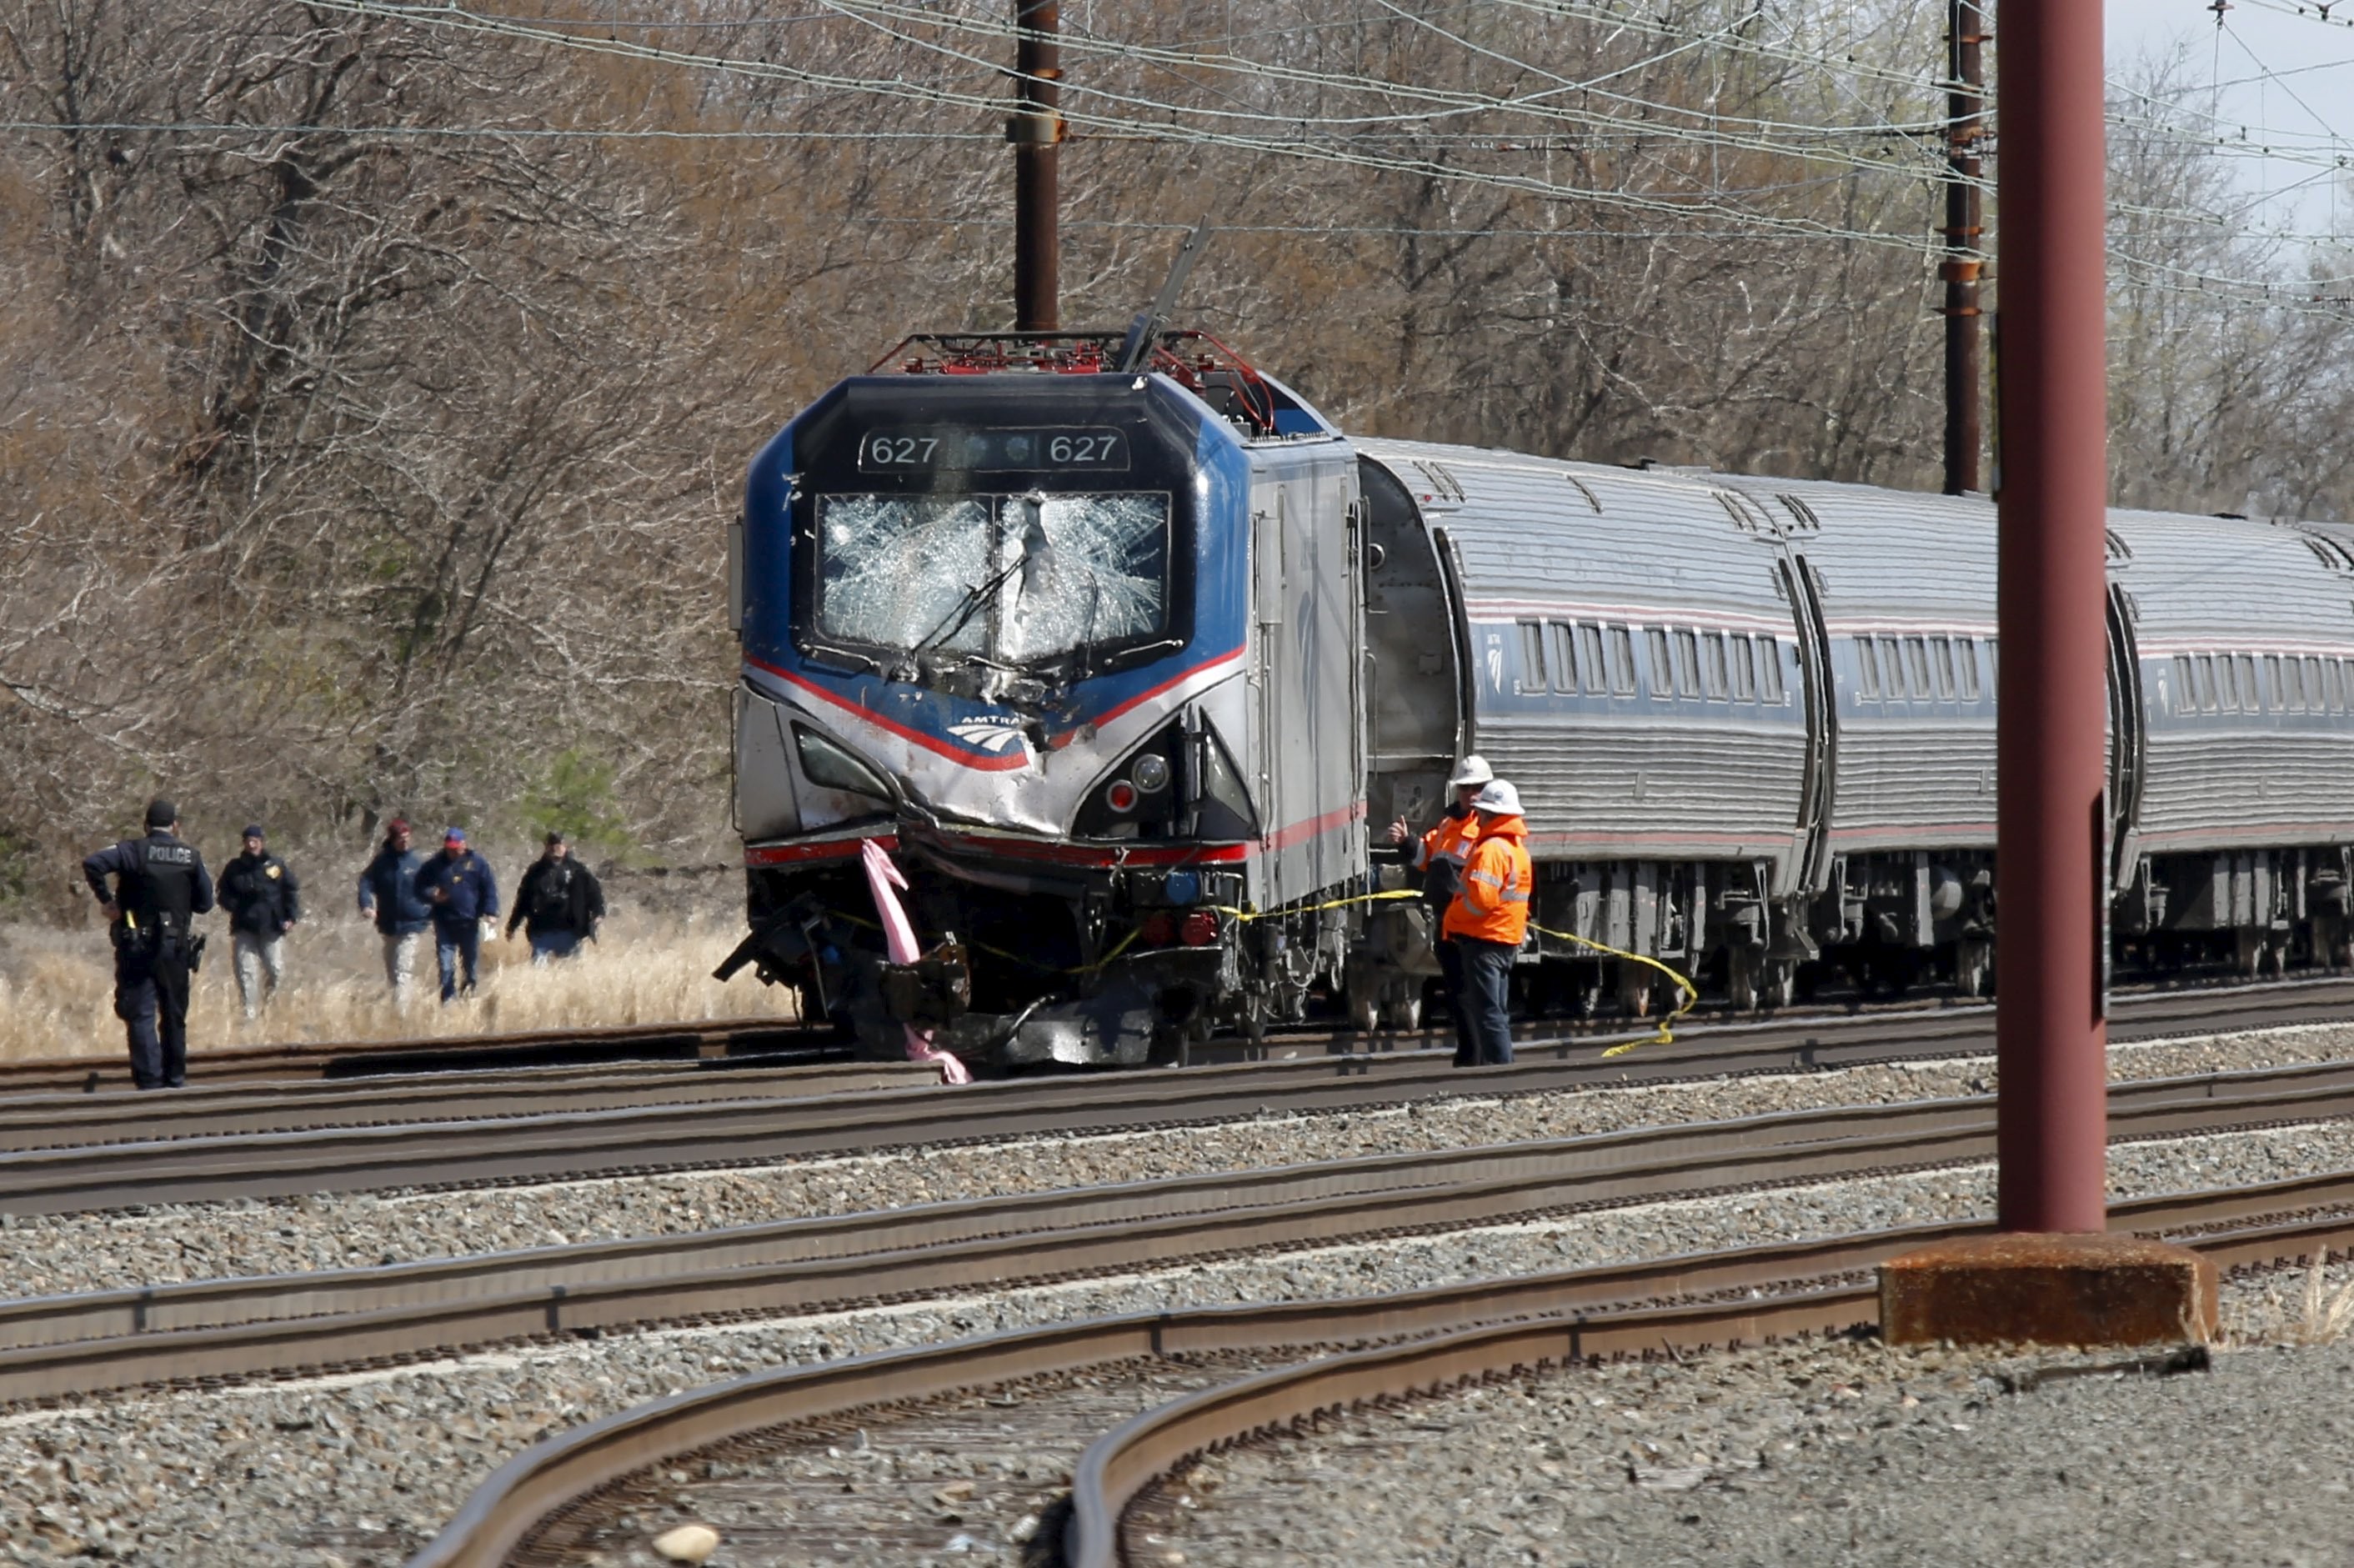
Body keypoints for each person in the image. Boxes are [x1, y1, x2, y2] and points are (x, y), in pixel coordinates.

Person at [81, 798, 215, 1090]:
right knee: (173, 1015)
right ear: (176, 827)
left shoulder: (132, 851)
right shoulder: (190, 857)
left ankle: (149, 1084)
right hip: (175, 948)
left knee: (141, 1014)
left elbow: (93, 863)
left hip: (136, 946)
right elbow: (206, 904)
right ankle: (175, 1080)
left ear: (145, 826)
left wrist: (108, 901)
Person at [1387, 755, 1493, 1065]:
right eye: (1465, 788)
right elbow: (1429, 858)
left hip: (1472, 925)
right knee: (1458, 994)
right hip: (1448, 922)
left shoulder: (1486, 826)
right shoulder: (1449, 823)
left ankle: (1479, 1058)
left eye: (1477, 788)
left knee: (1474, 994)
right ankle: (1469, 1054)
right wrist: (1407, 843)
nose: (1471, 795)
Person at [1443, 778, 1534, 1069]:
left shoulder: (1491, 850)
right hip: (1506, 938)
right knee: (1497, 1009)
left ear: (1488, 815)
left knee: (1488, 1011)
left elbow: (1481, 900)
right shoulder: (1518, 850)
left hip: (1484, 939)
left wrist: (1454, 918)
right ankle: (1501, 1066)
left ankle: (1499, 1071)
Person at [217, 824, 301, 1020]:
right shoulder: (234, 868)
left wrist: (291, 916)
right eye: (248, 841)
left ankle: (270, 1010)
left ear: (262, 842)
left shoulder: (275, 865)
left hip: (272, 926)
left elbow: (290, 890)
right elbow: (222, 894)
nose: (251, 844)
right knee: (246, 972)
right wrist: (234, 905)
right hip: (244, 927)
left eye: (255, 840)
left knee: (275, 970)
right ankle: (249, 1015)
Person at [413, 825, 498, 1002]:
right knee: (446, 966)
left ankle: (469, 995)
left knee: (470, 964)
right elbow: (418, 887)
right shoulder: (434, 865)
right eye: (449, 848)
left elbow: (489, 888)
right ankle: (448, 1001)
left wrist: (491, 911)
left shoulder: (477, 862)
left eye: (455, 848)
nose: (452, 852)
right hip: (444, 922)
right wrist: (432, 895)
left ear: (464, 844)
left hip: (469, 921)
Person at [358, 818, 433, 1009]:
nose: (405, 842)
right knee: (392, 971)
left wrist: (432, 910)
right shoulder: (382, 862)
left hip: (412, 924)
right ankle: (396, 1008)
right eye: (401, 838)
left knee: (403, 970)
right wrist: (367, 904)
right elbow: (366, 882)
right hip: (388, 924)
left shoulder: (416, 862)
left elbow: (430, 888)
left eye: (408, 838)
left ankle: (402, 1015)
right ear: (392, 839)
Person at [507, 831, 606, 963]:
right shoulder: (535, 872)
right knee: (538, 974)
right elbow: (523, 900)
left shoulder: (578, 871)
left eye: (559, 845)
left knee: (571, 972)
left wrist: (598, 914)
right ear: (546, 847)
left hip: (571, 931)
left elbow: (595, 895)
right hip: (541, 930)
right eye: (552, 845)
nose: (555, 848)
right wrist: (512, 926)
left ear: (566, 847)